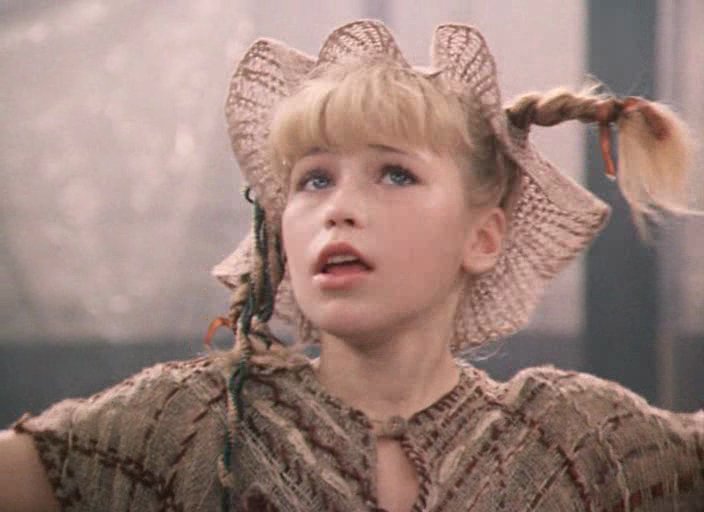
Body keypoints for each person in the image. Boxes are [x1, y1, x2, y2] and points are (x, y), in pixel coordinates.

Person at [1, 19, 702, 512]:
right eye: (313, 180)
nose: (338, 209)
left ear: (483, 236)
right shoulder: (190, 423)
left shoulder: (573, 438)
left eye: (395, 174)